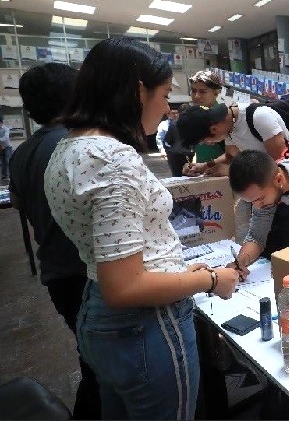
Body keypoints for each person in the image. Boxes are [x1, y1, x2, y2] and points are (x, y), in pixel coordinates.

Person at [43, 37, 240, 420]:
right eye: (164, 94)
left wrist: (180, 272)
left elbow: (120, 255)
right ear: (137, 90)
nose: (167, 107)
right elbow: (127, 286)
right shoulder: (112, 158)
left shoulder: (67, 149)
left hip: (104, 317)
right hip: (148, 324)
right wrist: (212, 281)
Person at [9, 63, 101, 419]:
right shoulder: (73, 147)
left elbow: (18, 202)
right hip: (87, 273)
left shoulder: (22, 154)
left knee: (90, 356)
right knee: (101, 367)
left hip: (56, 272)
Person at [176, 99, 289, 256]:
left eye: (207, 141)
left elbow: (279, 167)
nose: (210, 144)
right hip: (263, 198)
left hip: (287, 198)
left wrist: (231, 172)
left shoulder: (259, 118)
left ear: (213, 129)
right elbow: (230, 156)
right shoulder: (228, 126)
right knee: (266, 249)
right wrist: (206, 166)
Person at [188, 70, 227, 165]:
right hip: (202, 174)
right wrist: (192, 164)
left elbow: (235, 154)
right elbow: (198, 149)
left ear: (216, 92)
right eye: (193, 91)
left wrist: (207, 166)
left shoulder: (225, 117)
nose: (196, 96)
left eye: (202, 92)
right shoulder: (195, 116)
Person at [156, 104, 194, 177]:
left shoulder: (174, 123)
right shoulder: (194, 124)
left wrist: (169, 151)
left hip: (177, 155)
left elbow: (166, 141)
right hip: (187, 154)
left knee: (178, 176)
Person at [0, 115, 12, 181]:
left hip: (8, 147)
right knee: (3, 161)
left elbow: (6, 138)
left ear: (1, 122)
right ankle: (4, 176)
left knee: (8, 161)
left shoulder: (6, 129)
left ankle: (11, 174)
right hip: (1, 148)